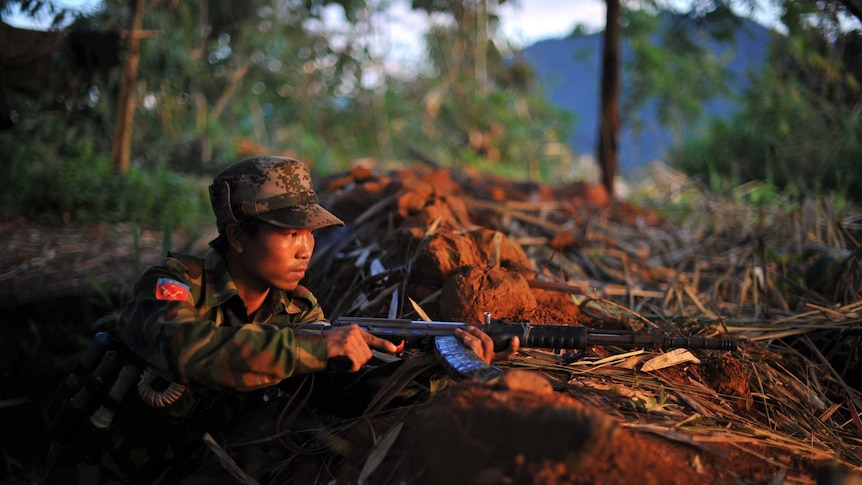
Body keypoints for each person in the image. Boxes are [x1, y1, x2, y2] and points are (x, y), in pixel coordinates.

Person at [46, 155, 518, 484]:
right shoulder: (175, 284)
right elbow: (188, 351)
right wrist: (318, 347)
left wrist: (430, 366)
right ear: (236, 236)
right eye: (290, 232)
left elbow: (342, 395)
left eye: (310, 233)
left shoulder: (297, 309)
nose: (306, 247)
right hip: (105, 471)